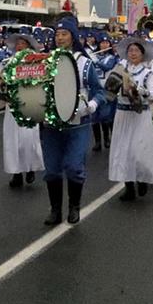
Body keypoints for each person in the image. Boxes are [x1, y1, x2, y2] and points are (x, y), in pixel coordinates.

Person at [41, 17, 105, 224]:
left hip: (78, 122)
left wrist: (92, 105)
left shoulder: (85, 63)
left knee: (74, 165)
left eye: (64, 34)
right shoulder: (44, 60)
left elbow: (98, 91)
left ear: (73, 37)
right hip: (50, 123)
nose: (59, 38)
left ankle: (74, 206)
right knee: (51, 168)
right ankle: (55, 209)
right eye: (57, 35)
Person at [109, 35, 153, 202]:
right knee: (123, 151)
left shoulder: (148, 73)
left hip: (140, 115)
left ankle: (142, 178)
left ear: (142, 54)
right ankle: (129, 187)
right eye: (130, 50)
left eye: (136, 50)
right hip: (123, 114)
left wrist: (141, 91)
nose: (133, 53)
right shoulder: (120, 69)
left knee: (139, 151)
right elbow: (109, 90)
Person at [1, 30, 45, 189]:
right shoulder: (9, 61)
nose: (20, 46)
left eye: (23, 44)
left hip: (30, 103)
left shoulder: (36, 62)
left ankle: (31, 168)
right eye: (18, 44)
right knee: (12, 140)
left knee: (29, 139)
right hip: (13, 105)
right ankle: (16, 172)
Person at [92, 33, 119, 150]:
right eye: (102, 43)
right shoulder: (93, 56)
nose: (104, 45)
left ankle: (108, 139)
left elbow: (107, 67)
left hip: (107, 90)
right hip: (94, 89)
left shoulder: (111, 58)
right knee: (94, 117)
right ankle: (98, 142)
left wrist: (95, 61)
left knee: (106, 116)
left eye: (107, 43)